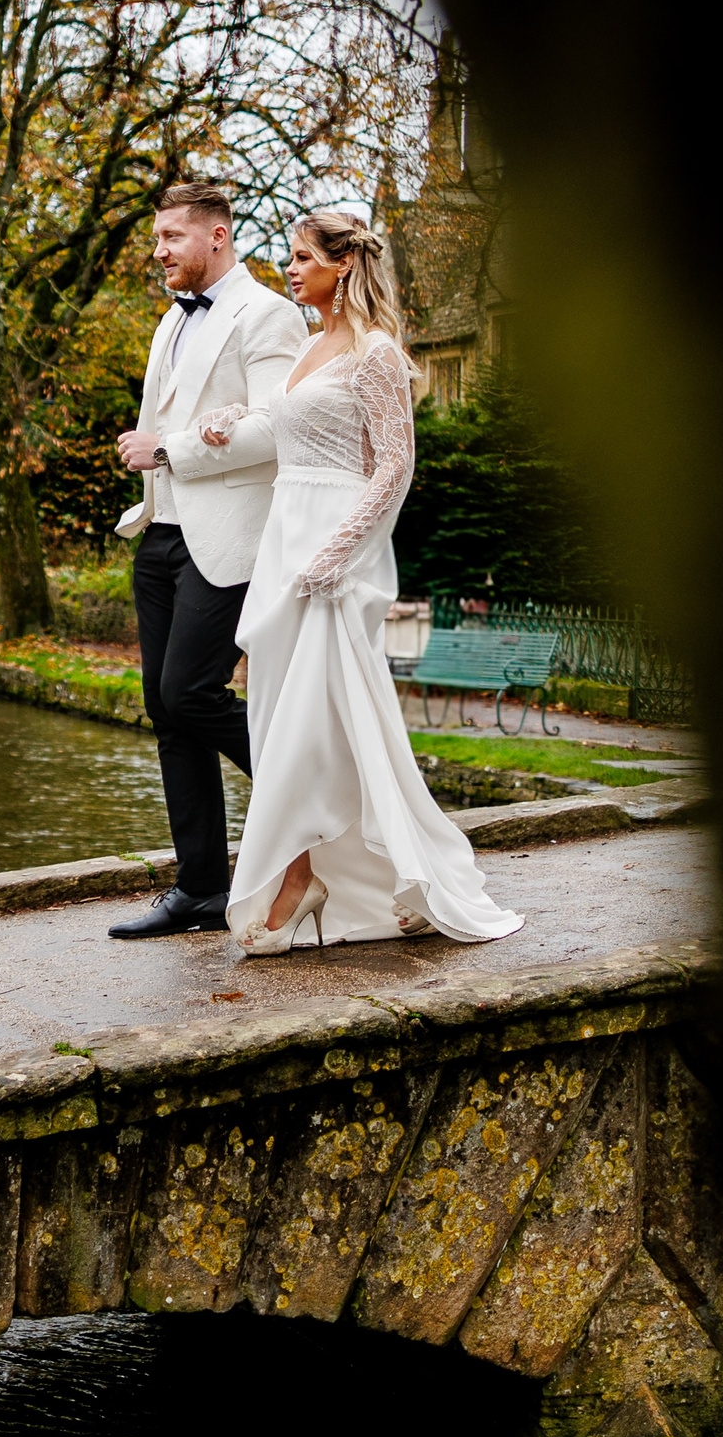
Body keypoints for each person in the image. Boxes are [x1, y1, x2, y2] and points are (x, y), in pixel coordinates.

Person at [203, 210, 523, 956]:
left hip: (335, 554)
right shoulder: (309, 346)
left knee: (314, 726)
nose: (290, 267)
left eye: (303, 255)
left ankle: (297, 878)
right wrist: (230, 415)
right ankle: (365, 875)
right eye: (289, 255)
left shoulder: (378, 353)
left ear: (342, 264)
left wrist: (338, 551)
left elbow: (394, 465)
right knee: (284, 713)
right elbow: (285, 426)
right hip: (287, 539)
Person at [106, 184, 311, 940]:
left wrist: (169, 448)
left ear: (217, 235)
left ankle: (304, 787)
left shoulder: (268, 315)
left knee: (190, 691)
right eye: (157, 237)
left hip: (229, 539)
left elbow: (276, 427)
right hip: (162, 531)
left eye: (170, 237)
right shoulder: (170, 319)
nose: (158, 251)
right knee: (166, 709)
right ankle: (199, 888)